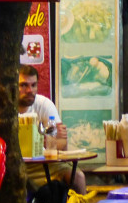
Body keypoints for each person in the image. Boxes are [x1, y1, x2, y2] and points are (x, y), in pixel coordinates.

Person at [18, 66, 85, 194]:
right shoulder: (3, 109)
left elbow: (61, 148)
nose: (29, 90)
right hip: (13, 164)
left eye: (33, 85)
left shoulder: (43, 104)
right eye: (23, 85)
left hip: (42, 163)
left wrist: (57, 140)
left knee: (78, 177)